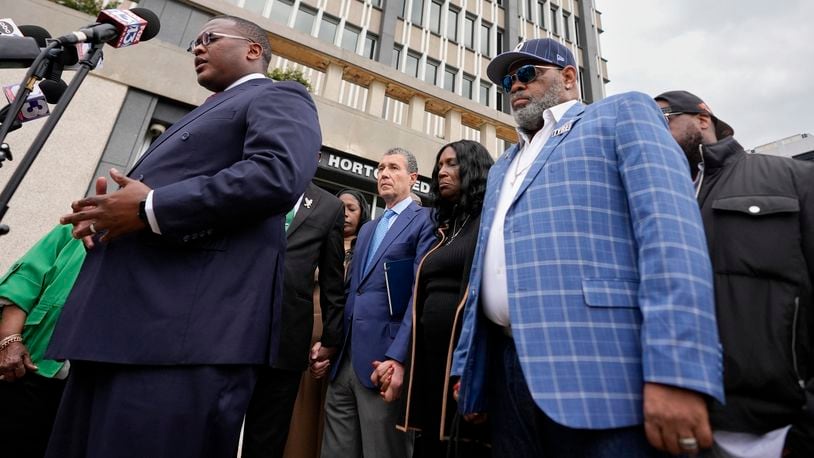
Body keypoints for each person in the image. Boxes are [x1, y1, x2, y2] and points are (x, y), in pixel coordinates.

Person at [45, 15, 321, 457]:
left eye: (209, 38)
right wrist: (110, 218)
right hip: (117, 333)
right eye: (193, 40)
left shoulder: (280, 95)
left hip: (183, 337)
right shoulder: (201, 114)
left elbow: (276, 173)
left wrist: (149, 208)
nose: (197, 47)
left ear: (253, 50)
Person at [451, 38, 724, 457]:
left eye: (527, 73)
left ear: (568, 76)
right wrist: (467, 366)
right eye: (508, 80)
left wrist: (678, 373)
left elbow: (670, 235)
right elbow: (484, 272)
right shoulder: (504, 163)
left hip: (602, 374)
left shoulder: (620, 114)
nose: (515, 85)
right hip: (507, 375)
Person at [655, 90, 814, 458]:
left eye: (662, 121)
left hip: (776, 431)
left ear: (703, 119)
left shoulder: (793, 179)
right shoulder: (652, 201)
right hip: (674, 426)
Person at [321, 147, 435, 458]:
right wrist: (330, 343)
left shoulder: (425, 220)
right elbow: (350, 291)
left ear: (412, 178)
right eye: (380, 168)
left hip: (382, 364)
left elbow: (419, 293)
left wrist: (397, 357)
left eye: (393, 168)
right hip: (344, 359)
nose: (383, 173)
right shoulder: (368, 228)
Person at [387, 140, 493, 457]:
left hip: (464, 364)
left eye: (451, 164)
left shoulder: (490, 221)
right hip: (429, 365)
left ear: (473, 169)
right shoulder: (442, 227)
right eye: (439, 166)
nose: (442, 172)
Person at [243, 182, 345, 458]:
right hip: (236, 328)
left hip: (287, 337)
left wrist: (330, 339)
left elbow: (332, 281)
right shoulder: (256, 187)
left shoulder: (328, 206)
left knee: (268, 434)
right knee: (217, 424)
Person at [0, 224, 86, 458]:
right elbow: (24, 281)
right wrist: (9, 339)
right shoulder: (75, 229)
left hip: (94, 391)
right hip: (33, 368)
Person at [335, 189, 371, 275]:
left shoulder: (368, 248)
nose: (345, 214)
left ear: (362, 214)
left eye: (351, 209)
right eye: (340, 208)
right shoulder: (320, 242)